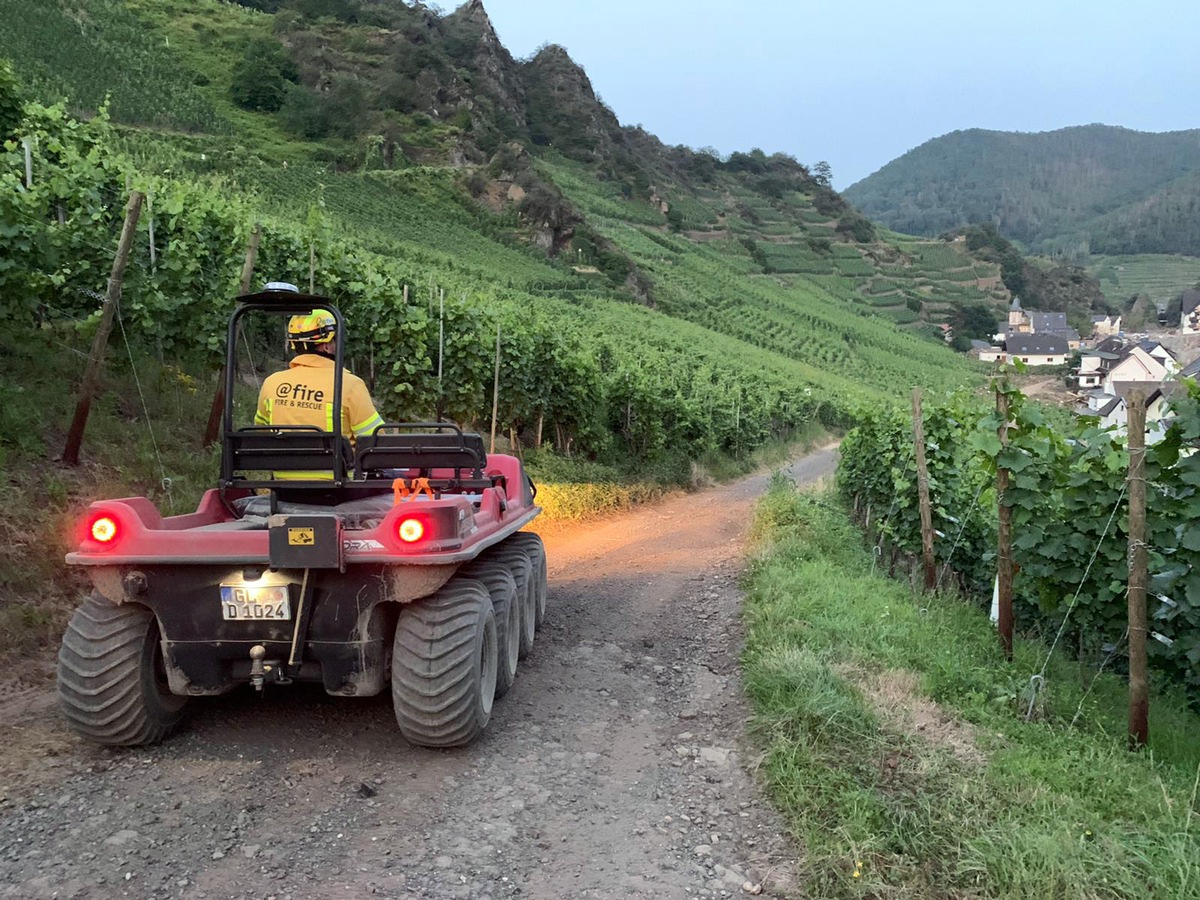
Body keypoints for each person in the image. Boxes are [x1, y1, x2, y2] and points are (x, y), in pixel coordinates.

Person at [254, 283, 384, 478]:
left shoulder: (271, 384)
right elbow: (376, 442)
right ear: (326, 345)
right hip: (338, 492)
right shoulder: (350, 385)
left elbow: (261, 434)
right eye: (334, 340)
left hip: (284, 489)